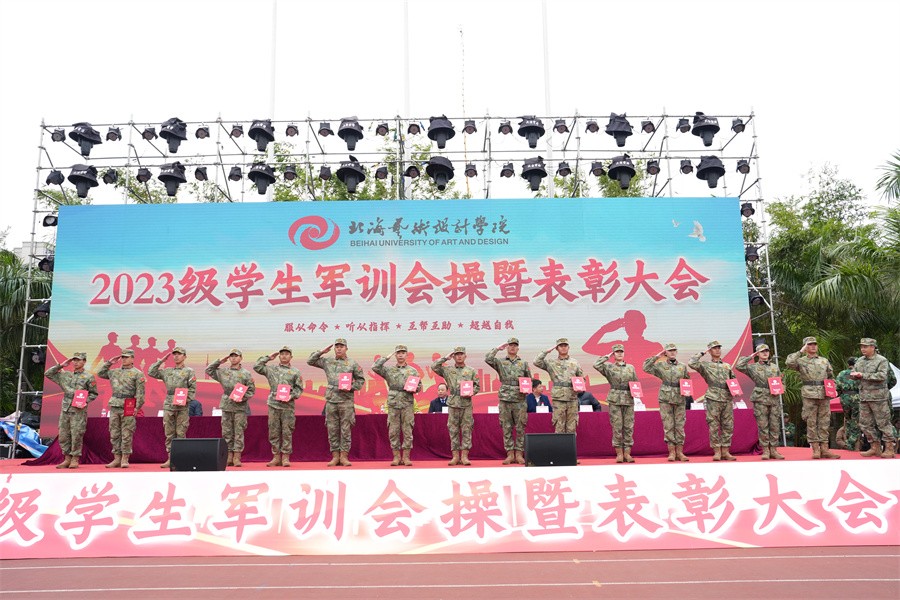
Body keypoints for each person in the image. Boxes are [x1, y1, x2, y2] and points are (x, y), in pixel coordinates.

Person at [308, 338, 366, 467]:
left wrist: (350, 387)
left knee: (346, 429)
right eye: (337, 346)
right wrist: (321, 352)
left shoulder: (352, 363)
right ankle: (335, 456)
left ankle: (344, 456)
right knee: (332, 428)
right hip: (331, 400)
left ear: (346, 348)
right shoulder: (328, 361)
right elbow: (310, 361)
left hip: (346, 401)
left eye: (342, 346)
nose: (339, 349)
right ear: (334, 349)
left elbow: (360, 380)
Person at [785, 336, 839, 459]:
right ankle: (815, 449)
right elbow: (789, 362)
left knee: (824, 421)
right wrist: (801, 351)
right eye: (810, 344)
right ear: (805, 346)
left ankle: (825, 449)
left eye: (814, 344)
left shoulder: (824, 361)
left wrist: (833, 388)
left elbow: (831, 376)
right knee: (811, 421)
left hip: (824, 394)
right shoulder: (801, 361)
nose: (813, 346)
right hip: (809, 393)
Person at [45, 352, 98, 469]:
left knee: (76, 434)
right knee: (63, 434)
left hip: (78, 410)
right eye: (74, 360)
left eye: (79, 360)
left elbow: (94, 393)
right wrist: (61, 365)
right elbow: (48, 373)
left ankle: (75, 458)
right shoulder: (65, 375)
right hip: (66, 408)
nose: (76, 362)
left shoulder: (88, 377)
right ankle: (67, 458)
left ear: (84, 361)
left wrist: (85, 401)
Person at [373, 344, 423, 466]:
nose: (400, 355)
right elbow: (375, 367)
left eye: (403, 353)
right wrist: (386, 358)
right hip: (393, 403)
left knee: (407, 430)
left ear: (406, 355)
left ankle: (406, 457)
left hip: (407, 402)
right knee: (393, 430)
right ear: (395, 355)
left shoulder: (412, 370)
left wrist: (414, 389)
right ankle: (396, 457)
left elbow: (419, 386)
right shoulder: (389, 370)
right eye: (398, 353)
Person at [485, 337, 532, 465]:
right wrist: (497, 349)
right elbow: (488, 359)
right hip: (505, 398)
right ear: (507, 347)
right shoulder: (500, 362)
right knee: (506, 426)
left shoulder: (523, 363)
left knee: (521, 426)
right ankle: (510, 454)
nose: (512, 347)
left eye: (515, 345)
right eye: (510, 345)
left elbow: (528, 379)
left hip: (519, 398)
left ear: (518, 348)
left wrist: (527, 388)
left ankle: (519, 453)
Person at [689, 341, 738, 461]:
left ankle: (725, 451)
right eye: (714, 348)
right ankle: (717, 451)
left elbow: (733, 379)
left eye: (719, 348)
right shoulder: (705, 365)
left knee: (728, 425)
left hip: (726, 397)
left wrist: (735, 390)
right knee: (713, 425)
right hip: (713, 397)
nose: (717, 350)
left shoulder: (727, 366)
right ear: (710, 351)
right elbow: (692, 363)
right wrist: (702, 353)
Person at [255, 346, 304, 467]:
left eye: (287, 354)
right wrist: (268, 358)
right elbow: (257, 367)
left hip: (287, 406)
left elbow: (299, 389)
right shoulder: (272, 369)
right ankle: (276, 457)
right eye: (282, 354)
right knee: (273, 431)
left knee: (287, 431)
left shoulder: (295, 372)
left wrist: (291, 396)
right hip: (273, 404)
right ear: (279, 356)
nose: (284, 356)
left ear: (291, 357)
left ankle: (285, 457)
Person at [206, 348, 255, 467]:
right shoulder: (223, 371)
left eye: (236, 356)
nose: (233, 358)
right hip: (227, 404)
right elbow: (208, 370)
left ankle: (237, 456)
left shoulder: (246, 373)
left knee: (238, 431)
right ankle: (229, 455)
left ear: (241, 358)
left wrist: (242, 397)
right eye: (231, 356)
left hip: (240, 406)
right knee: (227, 431)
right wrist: (219, 361)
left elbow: (251, 390)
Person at [149, 346, 197, 469]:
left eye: (179, 354)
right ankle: (171, 459)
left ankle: (181, 459)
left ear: (184, 356)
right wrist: (161, 361)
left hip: (182, 405)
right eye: (174, 354)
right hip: (169, 404)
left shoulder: (189, 371)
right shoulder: (167, 371)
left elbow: (192, 389)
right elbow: (151, 372)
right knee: (169, 433)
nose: (176, 356)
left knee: (181, 433)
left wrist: (185, 399)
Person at [97, 349, 145, 468]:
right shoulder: (115, 372)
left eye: (126, 357)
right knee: (114, 432)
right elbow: (100, 373)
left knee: (127, 432)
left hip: (128, 405)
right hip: (115, 404)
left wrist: (137, 407)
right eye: (122, 357)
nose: (124, 359)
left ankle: (125, 458)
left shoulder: (137, 373)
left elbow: (140, 393)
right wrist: (109, 362)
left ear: (132, 358)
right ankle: (117, 458)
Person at [735, 343, 785, 460]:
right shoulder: (753, 367)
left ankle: (774, 450)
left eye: (767, 350)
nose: (765, 353)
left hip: (774, 398)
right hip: (760, 397)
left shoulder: (774, 367)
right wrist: (751, 356)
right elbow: (739, 365)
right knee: (763, 425)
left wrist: (781, 388)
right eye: (762, 351)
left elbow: (781, 381)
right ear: (757, 353)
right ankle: (766, 450)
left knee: (774, 425)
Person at [432, 347, 480, 466]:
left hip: (466, 403)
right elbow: (434, 366)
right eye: (457, 354)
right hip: (453, 402)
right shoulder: (448, 370)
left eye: (461, 354)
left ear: (465, 356)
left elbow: (477, 386)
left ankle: (464, 456)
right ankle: (455, 456)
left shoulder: (471, 371)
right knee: (453, 429)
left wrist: (471, 392)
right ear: (453, 356)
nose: (459, 356)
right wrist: (445, 358)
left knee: (467, 429)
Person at [643, 343, 690, 462]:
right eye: (669, 350)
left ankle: (680, 452)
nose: (672, 352)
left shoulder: (682, 366)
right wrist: (657, 356)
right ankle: (672, 452)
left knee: (679, 425)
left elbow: (687, 380)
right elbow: (646, 367)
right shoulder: (660, 365)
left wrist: (687, 392)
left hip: (679, 398)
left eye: (674, 350)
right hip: (665, 397)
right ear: (665, 353)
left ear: (676, 352)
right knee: (668, 425)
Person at [594, 344, 639, 463]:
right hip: (615, 398)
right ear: (613, 354)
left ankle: (627, 453)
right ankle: (619, 453)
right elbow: (596, 364)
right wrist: (607, 357)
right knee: (617, 426)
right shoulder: (608, 367)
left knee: (628, 426)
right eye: (617, 352)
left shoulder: (630, 367)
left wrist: (637, 395)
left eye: (621, 351)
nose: (619, 353)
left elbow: (635, 382)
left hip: (628, 399)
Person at [852, 338, 896, 458]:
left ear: (873, 347)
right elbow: (854, 372)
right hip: (864, 397)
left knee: (883, 423)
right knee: (865, 424)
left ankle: (889, 448)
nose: (863, 349)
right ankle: (874, 447)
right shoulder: (860, 360)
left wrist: (863, 375)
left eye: (865, 346)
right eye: (861, 347)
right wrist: (854, 376)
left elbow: (882, 376)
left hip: (879, 398)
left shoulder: (881, 360)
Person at [533, 338, 583, 435]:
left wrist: (580, 385)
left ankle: (570, 445)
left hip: (572, 397)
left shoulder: (575, 362)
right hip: (558, 398)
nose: (563, 348)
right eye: (561, 346)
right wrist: (546, 351)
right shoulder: (551, 362)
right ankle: (560, 446)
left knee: (572, 427)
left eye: (565, 346)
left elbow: (581, 378)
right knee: (559, 426)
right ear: (556, 348)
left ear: (568, 347)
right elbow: (536, 362)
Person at [835, 357, 861, 451]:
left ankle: (848, 440)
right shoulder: (858, 374)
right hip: (857, 397)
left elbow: (837, 387)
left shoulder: (841, 373)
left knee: (848, 419)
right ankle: (851, 442)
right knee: (856, 420)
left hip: (844, 398)